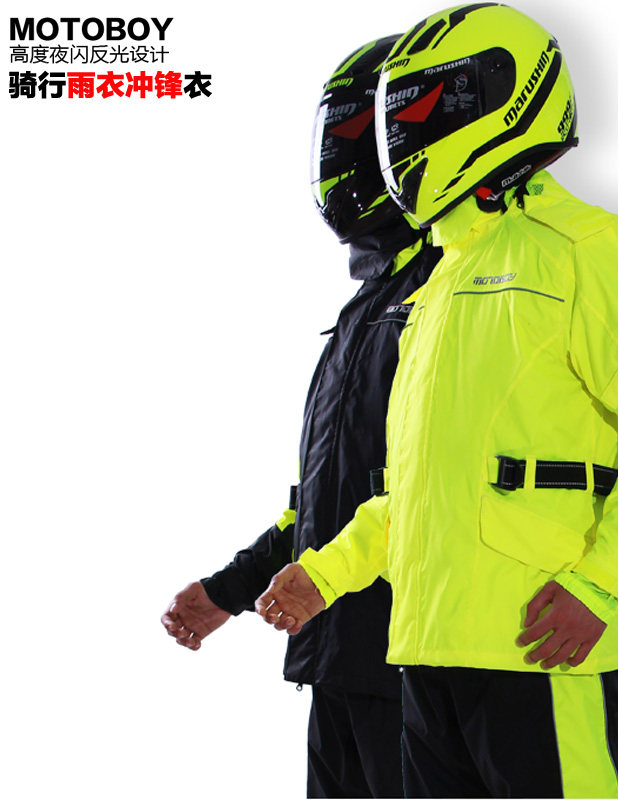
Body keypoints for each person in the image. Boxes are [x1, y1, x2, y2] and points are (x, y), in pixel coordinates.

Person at [256, 5, 618, 799]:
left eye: (422, 111)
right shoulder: (436, 285)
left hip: (540, 652)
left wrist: (599, 583)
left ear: (497, 97)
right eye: (398, 118)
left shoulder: (582, 248)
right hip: (426, 654)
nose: (403, 136)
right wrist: (325, 574)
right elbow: (419, 493)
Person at [160, 35, 441, 798]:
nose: (339, 164)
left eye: (356, 138)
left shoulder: (448, 297)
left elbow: (441, 492)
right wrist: (228, 590)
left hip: (417, 671)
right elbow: (323, 507)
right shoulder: (368, 313)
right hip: (339, 664)